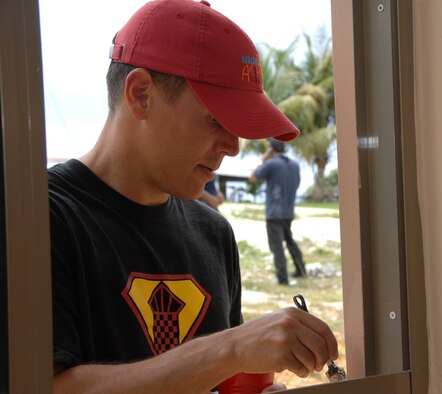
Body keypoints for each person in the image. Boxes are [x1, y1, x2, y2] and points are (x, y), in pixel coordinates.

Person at [48, 1, 338, 393]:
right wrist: (230, 348)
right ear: (141, 95)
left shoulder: (213, 233)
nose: (234, 147)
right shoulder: (43, 218)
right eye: (216, 120)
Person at [249, 139, 307, 286]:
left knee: (277, 246)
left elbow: (253, 177)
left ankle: (282, 278)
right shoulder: (294, 164)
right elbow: (297, 184)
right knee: (290, 241)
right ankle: (301, 270)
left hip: (274, 211)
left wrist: (262, 159)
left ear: (271, 149)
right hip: (288, 210)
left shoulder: (271, 163)